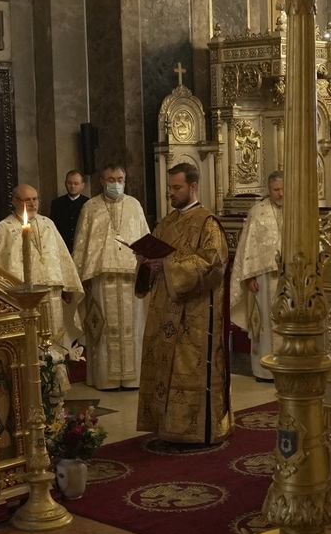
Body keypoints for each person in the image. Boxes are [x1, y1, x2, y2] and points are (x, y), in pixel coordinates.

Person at [135, 162, 232, 445]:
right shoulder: (165, 223)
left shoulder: (207, 222)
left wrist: (166, 263)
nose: (171, 194)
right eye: (169, 188)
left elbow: (213, 264)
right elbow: (154, 259)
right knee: (165, 367)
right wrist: (147, 264)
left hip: (194, 314)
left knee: (186, 368)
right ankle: (167, 427)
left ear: (192, 187)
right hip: (163, 309)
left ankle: (196, 430)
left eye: (176, 188)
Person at [0, 184, 84, 385]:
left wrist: (68, 286)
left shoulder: (48, 223)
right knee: (29, 344)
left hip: (52, 295)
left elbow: (62, 256)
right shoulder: (3, 229)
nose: (32, 203)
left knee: (55, 340)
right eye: (26, 199)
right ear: (14, 201)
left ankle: (56, 392)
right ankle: (29, 390)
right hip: (22, 300)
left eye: (35, 199)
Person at [72, 164, 149, 391]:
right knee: (102, 327)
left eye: (120, 178)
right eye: (111, 179)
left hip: (131, 278)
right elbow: (82, 243)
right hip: (101, 278)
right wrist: (78, 278)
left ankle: (132, 378)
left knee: (132, 327)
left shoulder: (134, 205)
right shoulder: (90, 207)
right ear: (101, 181)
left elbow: (144, 236)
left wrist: (148, 267)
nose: (116, 183)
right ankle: (105, 379)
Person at [230, 171, 284, 382]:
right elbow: (246, 248)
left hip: (290, 278)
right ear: (268, 190)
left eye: (282, 189)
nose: (280, 193)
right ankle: (265, 370)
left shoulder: (296, 211)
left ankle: (288, 367)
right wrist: (248, 277)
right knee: (263, 324)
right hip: (263, 277)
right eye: (276, 189)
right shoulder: (257, 212)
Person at [48, 169, 89, 251]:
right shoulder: (57, 203)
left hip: (82, 246)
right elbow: (53, 226)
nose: (72, 186)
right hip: (62, 246)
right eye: (69, 183)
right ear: (65, 183)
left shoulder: (88, 203)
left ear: (82, 185)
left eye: (76, 183)